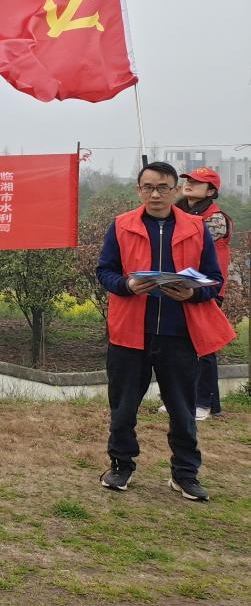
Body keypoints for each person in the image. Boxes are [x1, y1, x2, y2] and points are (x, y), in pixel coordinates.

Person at [96, 161, 233, 501]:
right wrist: (127, 284)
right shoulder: (121, 225)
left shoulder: (196, 228)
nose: (155, 194)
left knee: (182, 409)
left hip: (179, 333)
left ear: (175, 190)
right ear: (138, 189)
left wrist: (193, 292)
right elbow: (105, 271)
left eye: (162, 187)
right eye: (148, 187)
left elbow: (214, 279)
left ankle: (185, 473)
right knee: (124, 407)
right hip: (130, 332)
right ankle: (121, 465)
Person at [176, 167, 233, 421]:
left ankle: (204, 403)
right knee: (181, 345)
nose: (189, 184)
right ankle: (188, 400)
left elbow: (189, 241)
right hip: (182, 285)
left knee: (204, 346)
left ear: (211, 191)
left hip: (206, 289)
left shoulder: (216, 218)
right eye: (188, 179)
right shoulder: (179, 210)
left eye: (198, 182)